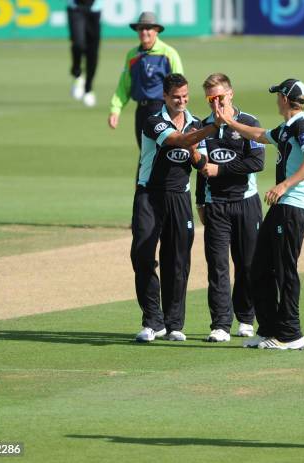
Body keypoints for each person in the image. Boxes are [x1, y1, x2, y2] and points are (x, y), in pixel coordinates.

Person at [214, 78, 304, 350]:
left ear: (285, 99)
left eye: (278, 96)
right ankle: (269, 329)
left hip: (294, 206)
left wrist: (284, 185)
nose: (276, 100)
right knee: (258, 267)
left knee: (285, 270)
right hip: (282, 208)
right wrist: (229, 121)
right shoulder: (286, 129)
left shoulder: (302, 126)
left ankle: (291, 335)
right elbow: (260, 135)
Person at [131, 73, 220, 343]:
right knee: (143, 255)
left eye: (185, 96)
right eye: (176, 97)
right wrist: (215, 126)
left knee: (178, 260)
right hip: (150, 195)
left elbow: (202, 163)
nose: (181, 101)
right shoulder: (154, 121)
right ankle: (152, 321)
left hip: (180, 197)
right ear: (165, 97)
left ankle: (173, 324)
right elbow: (177, 141)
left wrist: (198, 148)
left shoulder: (195, 123)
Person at [194, 73, 265, 343]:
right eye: (211, 99)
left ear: (231, 94)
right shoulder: (204, 126)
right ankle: (221, 324)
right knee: (217, 266)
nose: (216, 103)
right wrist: (201, 200)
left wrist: (220, 169)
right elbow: (201, 169)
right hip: (215, 205)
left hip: (246, 202)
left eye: (220, 97)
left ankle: (246, 318)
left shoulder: (249, 123)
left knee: (246, 264)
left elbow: (257, 162)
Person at [108, 12, 183, 149]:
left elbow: (179, 87)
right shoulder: (132, 55)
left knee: (159, 154)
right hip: (141, 111)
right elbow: (124, 86)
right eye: (141, 28)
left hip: (162, 110)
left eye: (148, 28)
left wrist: (177, 114)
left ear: (156, 30)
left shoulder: (168, 53)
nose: (144, 31)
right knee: (145, 154)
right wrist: (115, 109)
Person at [67, 0, 102, 107]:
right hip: (75, 7)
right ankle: (77, 74)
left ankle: (88, 89)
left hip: (94, 8)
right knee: (78, 44)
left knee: (92, 53)